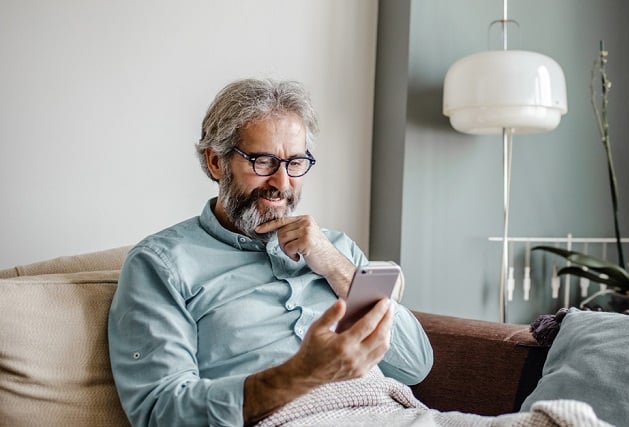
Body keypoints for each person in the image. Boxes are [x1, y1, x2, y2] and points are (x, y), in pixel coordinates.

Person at [107, 78, 434, 427]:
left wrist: (340, 270)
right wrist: (300, 374)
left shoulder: (334, 247)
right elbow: (161, 411)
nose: (281, 183)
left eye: (295, 163)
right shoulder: (162, 264)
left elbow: (415, 366)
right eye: (263, 162)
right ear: (216, 162)